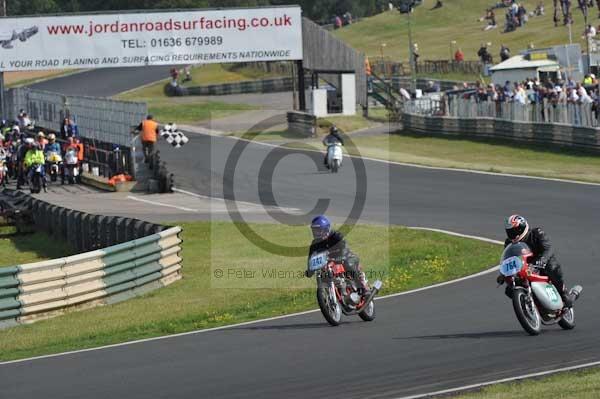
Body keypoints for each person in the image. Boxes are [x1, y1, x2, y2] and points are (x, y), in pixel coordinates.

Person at [498, 215, 580, 307]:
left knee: (552, 267)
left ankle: (563, 294)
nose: (512, 234)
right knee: (509, 289)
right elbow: (508, 258)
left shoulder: (536, 233)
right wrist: (502, 274)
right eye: (510, 232)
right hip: (524, 266)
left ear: (522, 228)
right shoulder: (509, 243)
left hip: (542, 262)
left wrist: (543, 259)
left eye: (514, 231)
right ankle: (526, 305)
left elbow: (549, 248)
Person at [305, 215, 370, 294]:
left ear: (325, 229)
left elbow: (344, 246)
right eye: (314, 230)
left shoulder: (336, 236)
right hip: (329, 262)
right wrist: (309, 270)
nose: (316, 233)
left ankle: (362, 286)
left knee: (348, 264)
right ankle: (329, 294)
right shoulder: (315, 243)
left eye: (318, 230)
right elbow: (311, 258)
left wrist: (342, 257)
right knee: (322, 273)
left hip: (345, 256)